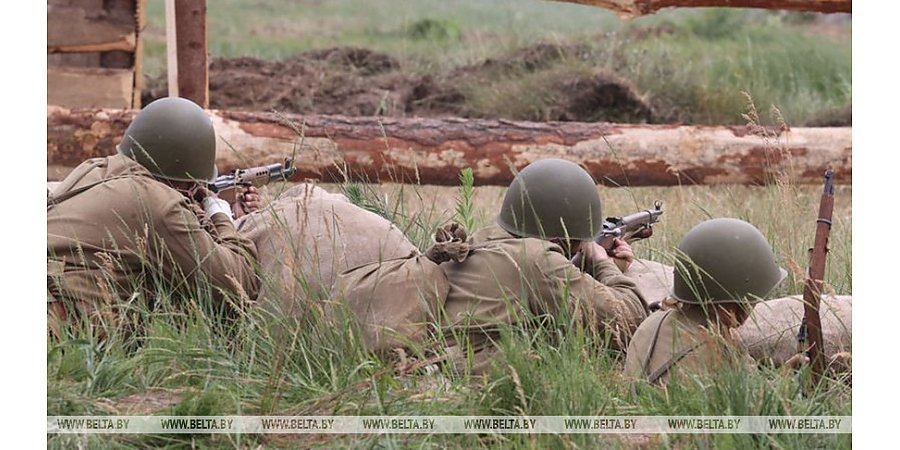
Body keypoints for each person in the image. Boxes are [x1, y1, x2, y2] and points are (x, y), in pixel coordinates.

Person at [47, 97, 261, 337]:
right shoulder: (157, 202)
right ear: (185, 179)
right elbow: (238, 285)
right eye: (194, 184)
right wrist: (221, 215)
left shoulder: (95, 168)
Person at [438, 159, 648, 373]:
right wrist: (604, 264)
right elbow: (631, 321)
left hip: (435, 362)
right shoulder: (537, 258)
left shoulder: (483, 238)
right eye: (579, 242)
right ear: (561, 239)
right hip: (472, 376)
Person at [623, 218, 796, 384]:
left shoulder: (652, 322)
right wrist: (786, 382)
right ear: (732, 307)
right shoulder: (712, 351)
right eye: (753, 300)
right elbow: (750, 399)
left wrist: (783, 374)